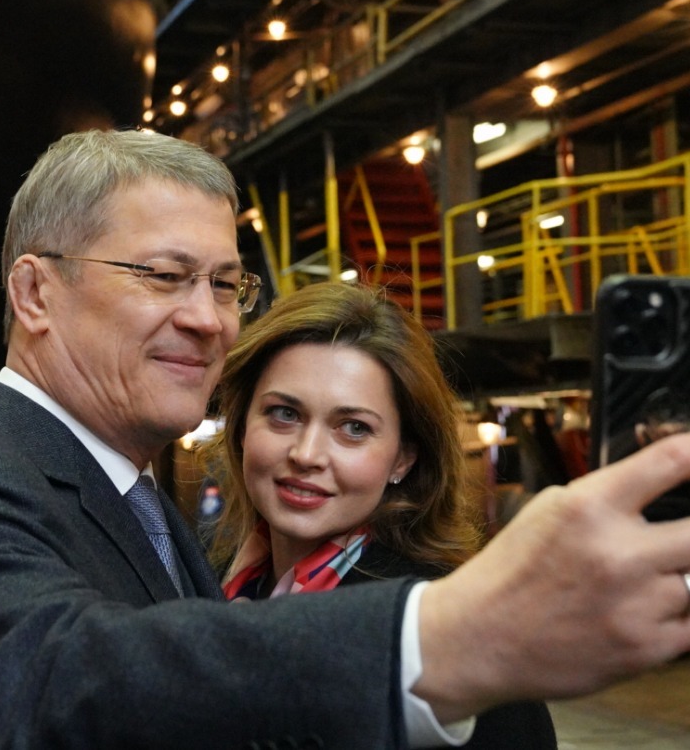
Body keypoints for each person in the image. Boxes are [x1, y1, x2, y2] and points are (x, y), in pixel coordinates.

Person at [0, 128, 690, 749]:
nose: (208, 320)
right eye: (163, 276)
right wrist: (446, 636)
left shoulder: (139, 503)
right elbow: (46, 684)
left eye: (226, 284)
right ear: (35, 292)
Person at [206, 281, 555, 747]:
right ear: (242, 426)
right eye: (284, 413)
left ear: (403, 459)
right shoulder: (211, 580)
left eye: (353, 428)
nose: (307, 454)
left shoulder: (447, 625)